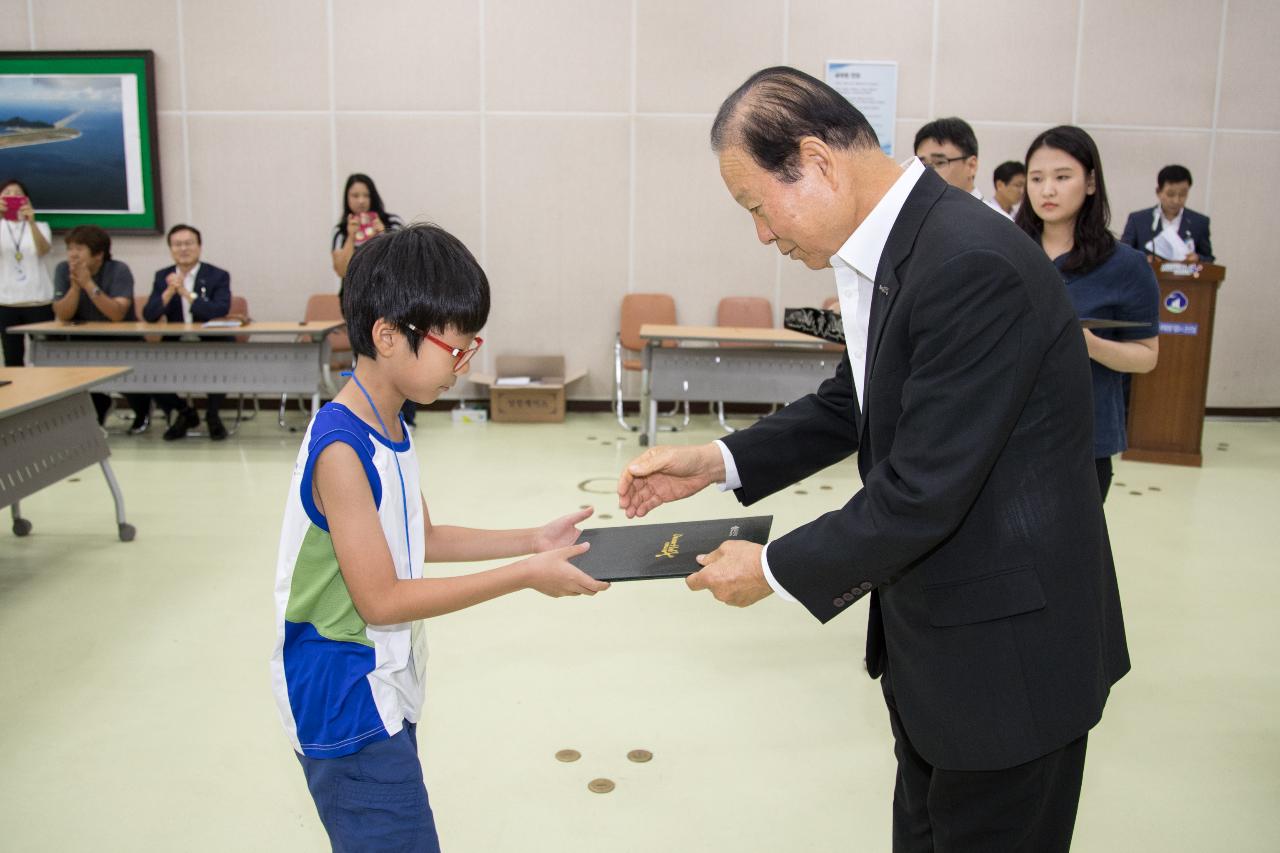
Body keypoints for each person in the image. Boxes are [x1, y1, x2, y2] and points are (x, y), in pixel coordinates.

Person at [618, 67, 1129, 852]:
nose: (761, 233)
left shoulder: (966, 263)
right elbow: (847, 404)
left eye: (757, 206)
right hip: (943, 658)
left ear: (818, 162)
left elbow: (921, 492)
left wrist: (773, 567)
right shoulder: (907, 248)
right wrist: (717, 460)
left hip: (1008, 669)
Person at [272, 223, 608, 852]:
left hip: (378, 685)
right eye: (454, 348)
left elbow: (418, 536)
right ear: (387, 336)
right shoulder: (343, 451)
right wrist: (525, 578)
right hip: (345, 702)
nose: (464, 364)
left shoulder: (387, 422)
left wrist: (531, 540)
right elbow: (383, 600)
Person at [1017, 126, 1160, 501]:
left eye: (1062, 177)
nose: (1047, 190)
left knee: (1067, 556)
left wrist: (1089, 344)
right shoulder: (1005, 252)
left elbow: (1146, 356)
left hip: (1084, 440)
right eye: (1036, 178)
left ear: (1091, 182)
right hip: (1006, 435)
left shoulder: (1125, 265)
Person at [330, 172, 415, 425]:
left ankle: (405, 414)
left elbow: (405, 265)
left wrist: (384, 235)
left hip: (392, 299)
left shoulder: (391, 223)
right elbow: (341, 270)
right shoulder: (340, 231)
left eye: (366, 195)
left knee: (400, 351)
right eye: (355, 195)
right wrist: (350, 236)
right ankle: (370, 413)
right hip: (358, 303)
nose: (361, 201)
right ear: (347, 199)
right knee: (368, 357)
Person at [51, 225, 150, 430]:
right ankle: (98, 406)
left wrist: (88, 284)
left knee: (135, 376)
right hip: (82, 342)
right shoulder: (63, 269)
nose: (73, 255)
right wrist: (76, 286)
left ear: (98, 255)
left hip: (122, 341)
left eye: (79, 249)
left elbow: (117, 314)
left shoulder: (118, 270)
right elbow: (62, 314)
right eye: (70, 248)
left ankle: (141, 411)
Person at [141, 224, 233, 440]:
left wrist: (185, 293)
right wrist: (168, 292)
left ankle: (213, 414)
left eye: (188, 243)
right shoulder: (162, 276)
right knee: (147, 369)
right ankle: (184, 412)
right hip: (175, 342)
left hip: (211, 341)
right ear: (171, 249)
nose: (183, 249)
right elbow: (149, 315)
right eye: (177, 244)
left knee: (226, 360)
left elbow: (219, 309)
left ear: (199, 247)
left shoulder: (217, 275)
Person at [0, 179, 54, 367]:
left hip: (38, 300)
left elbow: (42, 250)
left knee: (46, 357)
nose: (12, 197)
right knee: (12, 358)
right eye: (7, 193)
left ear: (27, 200)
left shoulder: (41, 226)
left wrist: (31, 222)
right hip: (7, 302)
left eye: (18, 194)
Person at [1119, 164, 1214, 262]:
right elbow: (1123, 255)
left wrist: (1198, 258)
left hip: (1185, 276)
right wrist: (1144, 260)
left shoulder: (1199, 222)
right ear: (1158, 192)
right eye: (1170, 194)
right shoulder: (1138, 220)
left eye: (1182, 194)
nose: (1176, 200)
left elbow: (1209, 259)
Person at [914, 116, 981, 198]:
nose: (927, 173)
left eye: (939, 162)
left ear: (971, 166)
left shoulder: (988, 211)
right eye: (922, 165)